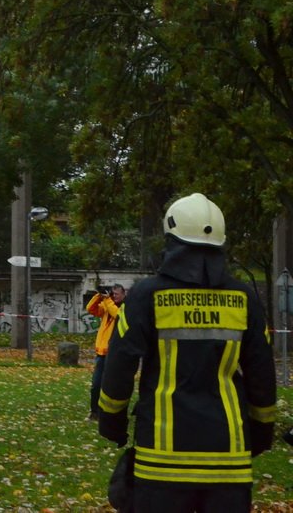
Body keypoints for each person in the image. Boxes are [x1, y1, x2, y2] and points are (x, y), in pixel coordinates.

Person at [98, 193, 277, 513]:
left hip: (162, 461)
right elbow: (262, 373)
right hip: (229, 460)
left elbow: (119, 364)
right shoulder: (244, 298)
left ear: (171, 240)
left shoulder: (146, 295)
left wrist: (112, 422)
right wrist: (262, 431)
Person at [85, 283, 127, 421]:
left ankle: (113, 413)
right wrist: (99, 296)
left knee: (113, 385)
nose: (113, 296)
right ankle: (94, 411)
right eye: (112, 293)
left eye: (116, 294)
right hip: (102, 352)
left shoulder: (124, 308)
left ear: (123, 294)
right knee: (96, 384)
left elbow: (118, 315)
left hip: (116, 354)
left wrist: (107, 299)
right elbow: (90, 309)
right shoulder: (107, 305)